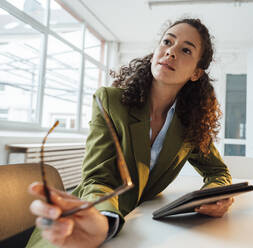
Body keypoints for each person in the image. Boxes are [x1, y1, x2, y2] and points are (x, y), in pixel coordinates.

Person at [26, 18, 233, 248]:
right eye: (167, 41)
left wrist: (214, 196)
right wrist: (104, 219)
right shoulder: (110, 101)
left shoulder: (189, 124)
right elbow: (99, 178)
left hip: (141, 226)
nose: (171, 52)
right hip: (84, 217)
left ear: (196, 73)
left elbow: (218, 171)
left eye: (185, 49)